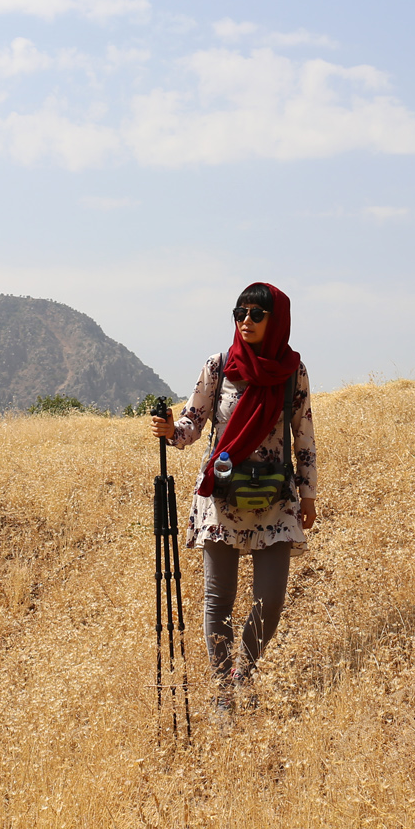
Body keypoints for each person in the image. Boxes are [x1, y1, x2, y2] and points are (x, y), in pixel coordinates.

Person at [149, 281, 317, 710]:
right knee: (217, 601)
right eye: (239, 313)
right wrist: (173, 433)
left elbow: (304, 435)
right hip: (221, 496)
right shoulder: (220, 365)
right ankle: (225, 694)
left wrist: (309, 492)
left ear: (275, 320)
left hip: (276, 498)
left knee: (271, 601)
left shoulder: (292, 371)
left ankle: (245, 671)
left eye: (256, 315)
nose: (245, 321)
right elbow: (194, 418)